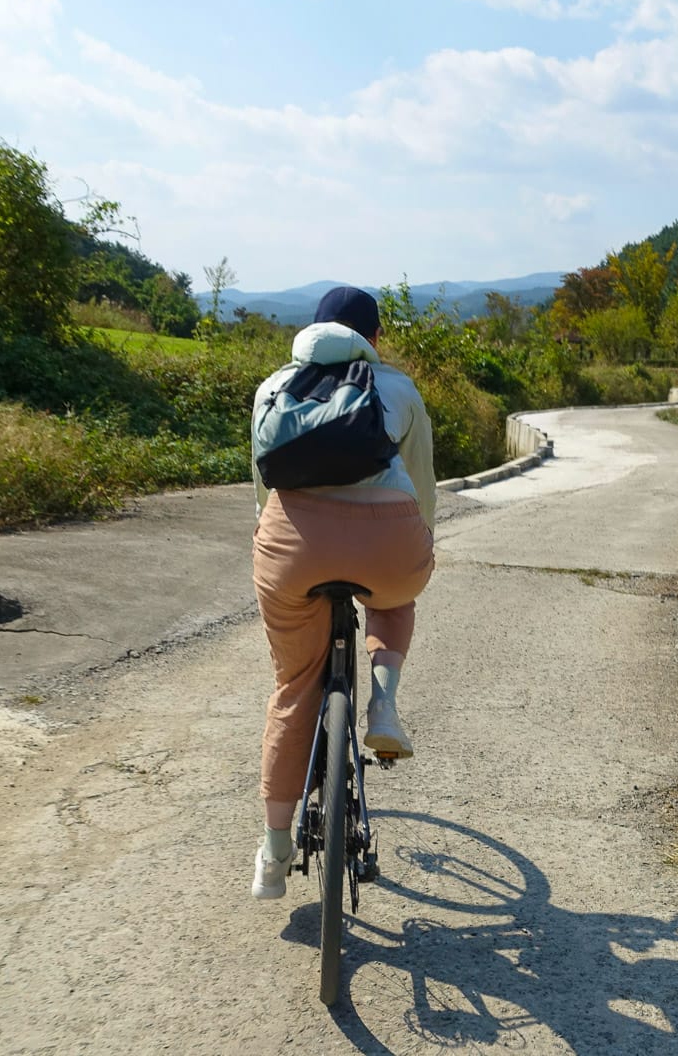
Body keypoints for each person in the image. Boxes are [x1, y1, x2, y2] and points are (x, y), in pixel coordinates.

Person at [249, 285, 435, 901]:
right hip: (388, 541)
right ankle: (382, 702)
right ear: (373, 339)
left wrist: (278, 546)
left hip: (292, 545)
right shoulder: (398, 388)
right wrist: (418, 546)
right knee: (393, 597)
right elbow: (423, 489)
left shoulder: (274, 386)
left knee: (294, 689)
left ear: (312, 329)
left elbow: (263, 488)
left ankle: (273, 858)